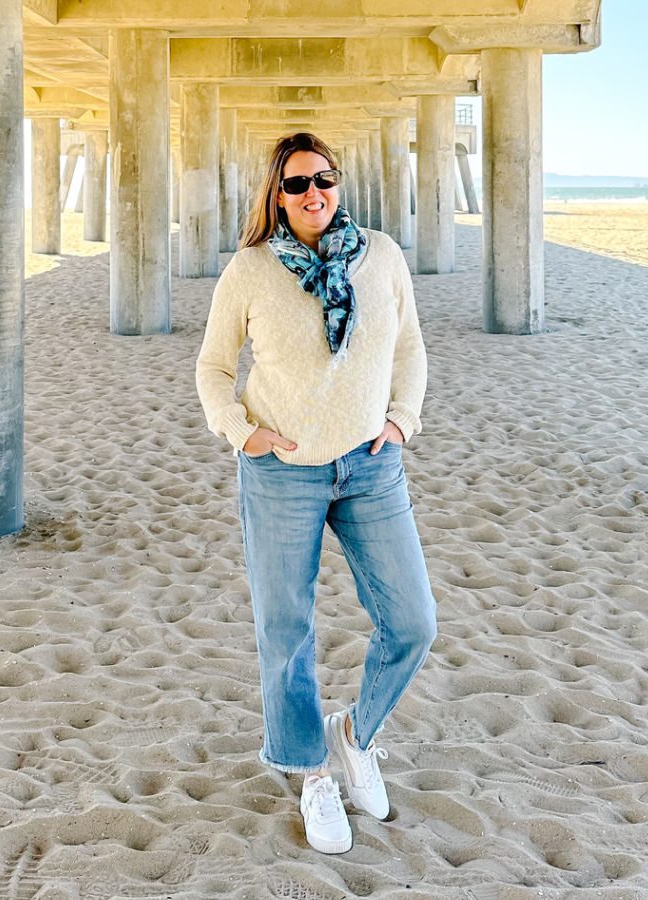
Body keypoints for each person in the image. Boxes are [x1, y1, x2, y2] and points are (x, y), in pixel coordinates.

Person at [196, 132, 437, 854]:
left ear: (338, 184)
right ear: (277, 194)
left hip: (370, 467)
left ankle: (354, 736)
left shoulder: (383, 256)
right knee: (286, 629)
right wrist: (243, 433)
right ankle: (310, 773)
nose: (313, 194)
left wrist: (401, 420)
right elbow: (212, 367)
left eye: (324, 180)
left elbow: (409, 347)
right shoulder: (250, 270)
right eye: (297, 184)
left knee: (413, 620)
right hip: (281, 472)